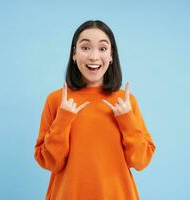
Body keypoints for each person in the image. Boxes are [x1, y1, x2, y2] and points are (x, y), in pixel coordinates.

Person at [34, 20, 156, 200]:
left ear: (111, 55)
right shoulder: (56, 100)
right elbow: (50, 162)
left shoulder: (126, 102)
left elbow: (141, 161)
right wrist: (63, 119)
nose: (93, 56)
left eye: (102, 48)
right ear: (74, 53)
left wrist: (127, 119)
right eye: (85, 48)